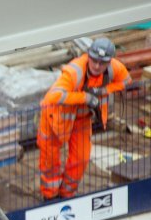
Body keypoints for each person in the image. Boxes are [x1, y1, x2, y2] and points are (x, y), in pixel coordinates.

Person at [37, 37, 131, 200]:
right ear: (88, 56)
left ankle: (67, 195)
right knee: (50, 161)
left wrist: (103, 91)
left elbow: (126, 81)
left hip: (81, 119)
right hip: (55, 117)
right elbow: (52, 97)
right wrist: (86, 98)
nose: (97, 66)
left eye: (102, 63)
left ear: (109, 62)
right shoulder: (74, 71)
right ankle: (49, 197)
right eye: (94, 61)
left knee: (80, 159)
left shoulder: (114, 68)